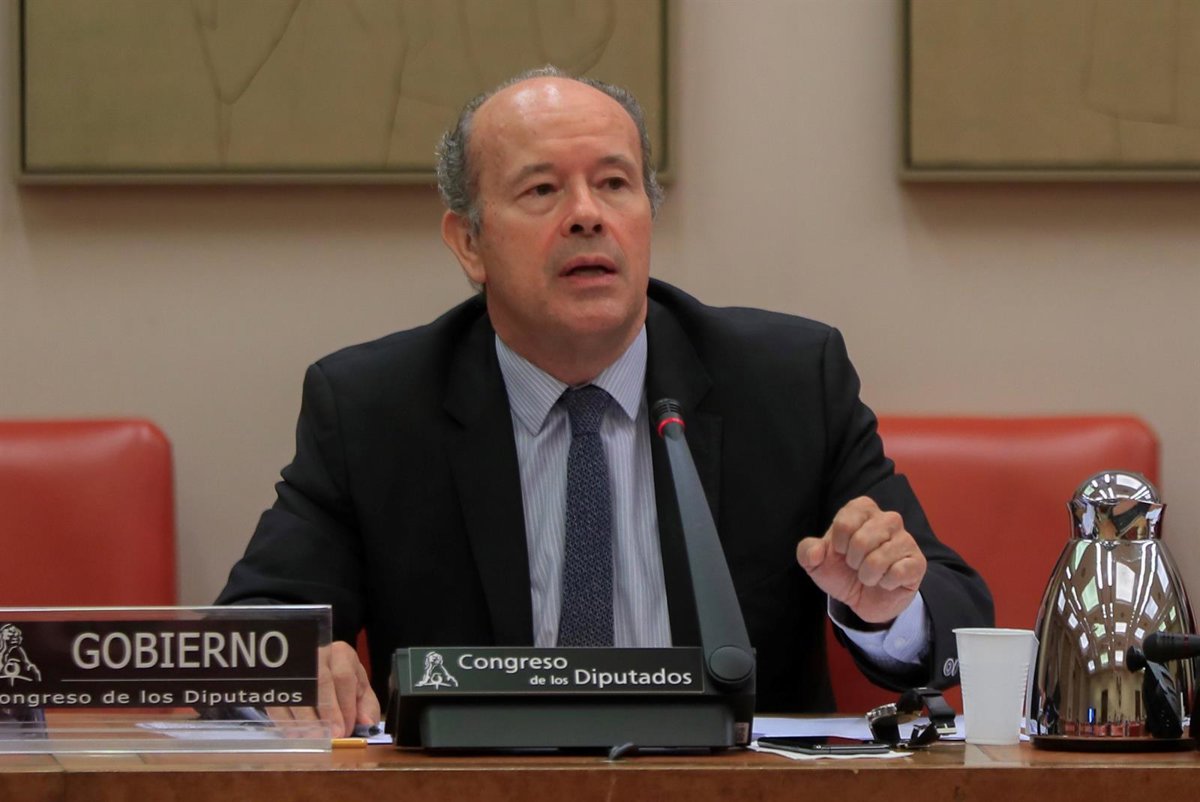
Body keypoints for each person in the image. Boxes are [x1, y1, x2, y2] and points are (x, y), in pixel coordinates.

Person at [217, 66, 993, 736]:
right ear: (468, 242)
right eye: (543, 189)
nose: (587, 214)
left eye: (615, 184)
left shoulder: (787, 382)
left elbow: (958, 618)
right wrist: (293, 665)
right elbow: (244, 640)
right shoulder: (374, 408)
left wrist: (886, 606)